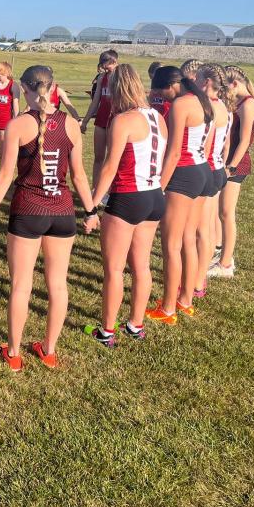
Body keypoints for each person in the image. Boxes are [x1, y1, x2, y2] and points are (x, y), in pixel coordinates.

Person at [0, 65, 95, 369]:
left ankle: (14, 353)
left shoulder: (17, 125)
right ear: (53, 87)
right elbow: (79, 177)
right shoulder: (70, 125)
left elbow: (3, 177)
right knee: (58, 285)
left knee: (21, 286)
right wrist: (91, 211)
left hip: (28, 211)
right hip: (62, 212)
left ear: (23, 89)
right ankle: (48, 349)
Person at [82, 64, 167, 346]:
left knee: (114, 269)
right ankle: (135, 324)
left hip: (128, 195)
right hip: (154, 196)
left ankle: (106, 331)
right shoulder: (159, 117)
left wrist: (90, 206)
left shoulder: (123, 120)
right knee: (142, 265)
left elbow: (108, 168)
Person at [146, 67, 214, 324]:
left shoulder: (180, 105)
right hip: (200, 170)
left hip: (183, 173)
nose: (160, 97)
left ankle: (167, 309)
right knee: (188, 238)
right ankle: (185, 299)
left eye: (161, 92)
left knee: (171, 245)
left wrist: (159, 187)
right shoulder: (202, 100)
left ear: (171, 86)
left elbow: (173, 152)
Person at [209, 66, 254, 279]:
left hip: (237, 164)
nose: (223, 92)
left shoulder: (249, 104)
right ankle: (220, 251)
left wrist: (230, 167)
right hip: (226, 162)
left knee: (226, 213)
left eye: (225, 88)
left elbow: (244, 141)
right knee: (220, 212)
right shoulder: (238, 103)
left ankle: (226, 264)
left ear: (235, 84)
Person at [189, 63, 233, 302]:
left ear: (206, 82)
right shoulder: (225, 106)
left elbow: (205, 144)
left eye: (197, 80)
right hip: (216, 168)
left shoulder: (210, 108)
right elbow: (224, 144)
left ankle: (196, 282)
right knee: (204, 229)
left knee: (199, 231)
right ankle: (197, 280)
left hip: (207, 168)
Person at [80, 50, 119, 189]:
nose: (104, 67)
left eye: (107, 64)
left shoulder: (121, 77)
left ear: (114, 62)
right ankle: (95, 189)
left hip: (116, 122)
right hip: (101, 120)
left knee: (113, 159)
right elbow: (95, 101)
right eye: (103, 64)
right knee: (98, 158)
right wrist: (85, 121)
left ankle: (110, 191)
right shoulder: (102, 78)